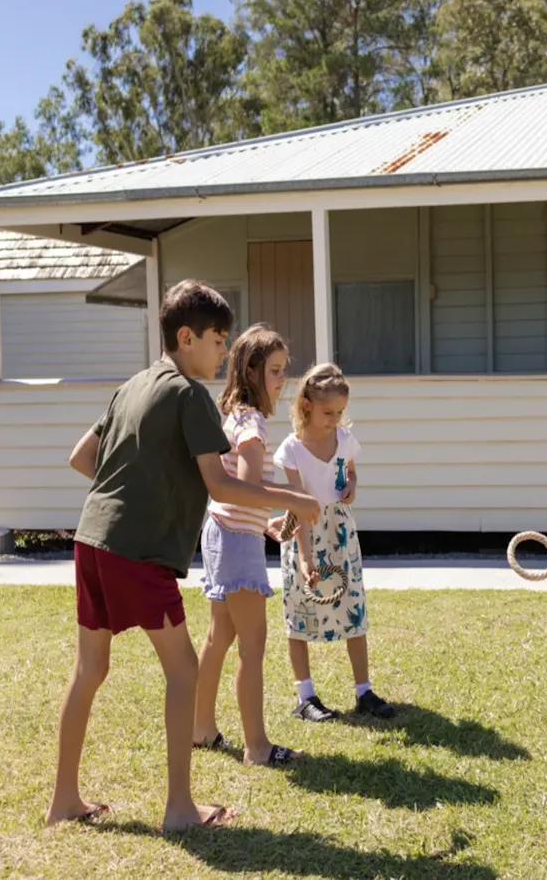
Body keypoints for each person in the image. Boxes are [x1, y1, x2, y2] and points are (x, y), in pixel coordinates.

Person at [46, 280, 319, 831]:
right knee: (183, 667)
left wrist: (137, 488)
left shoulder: (134, 385)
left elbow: (82, 457)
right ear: (186, 337)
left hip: (90, 539)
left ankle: (64, 802)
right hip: (138, 552)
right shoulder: (190, 395)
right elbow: (222, 486)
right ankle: (179, 810)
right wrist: (296, 499)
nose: (224, 352)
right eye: (219, 341)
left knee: (90, 668)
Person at [192, 324, 299, 766]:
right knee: (252, 645)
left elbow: (240, 493)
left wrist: (266, 525)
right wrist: (295, 503)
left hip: (223, 532)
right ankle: (256, 747)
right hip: (235, 538)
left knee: (220, 636)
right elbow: (249, 486)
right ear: (252, 371)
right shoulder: (252, 423)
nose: (282, 380)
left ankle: (200, 728)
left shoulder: (233, 414)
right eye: (275, 371)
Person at [274, 362, 395, 724]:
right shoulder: (292, 449)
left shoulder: (344, 440)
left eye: (341, 412)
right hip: (304, 530)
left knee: (353, 608)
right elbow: (297, 502)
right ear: (307, 405)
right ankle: (305, 696)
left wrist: (352, 489)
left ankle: (364, 691)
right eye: (329, 412)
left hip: (341, 533)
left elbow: (352, 474)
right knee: (300, 611)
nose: (335, 419)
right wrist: (306, 559)